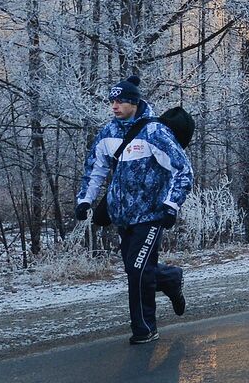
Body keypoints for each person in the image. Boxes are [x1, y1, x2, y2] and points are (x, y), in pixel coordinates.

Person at [75, 75, 193, 344]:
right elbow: (95, 169)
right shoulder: (108, 133)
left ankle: (144, 328)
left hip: (151, 214)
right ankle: (171, 278)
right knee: (135, 269)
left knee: (139, 270)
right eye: (112, 101)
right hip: (122, 215)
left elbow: (183, 171)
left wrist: (171, 205)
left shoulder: (155, 133)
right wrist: (85, 200)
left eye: (120, 101)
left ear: (134, 102)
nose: (114, 106)